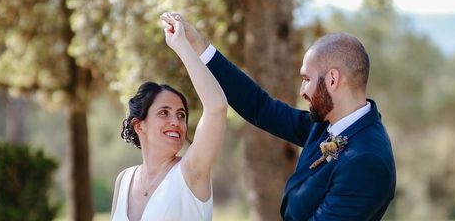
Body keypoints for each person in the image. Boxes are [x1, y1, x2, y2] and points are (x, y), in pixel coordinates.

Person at [163, 12, 396, 221]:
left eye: (307, 79)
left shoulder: (368, 161)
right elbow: (260, 107)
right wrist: (199, 46)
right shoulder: (329, 125)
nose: (302, 91)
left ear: (333, 79)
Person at [110, 14, 227, 221]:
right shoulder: (124, 180)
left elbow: (216, 107)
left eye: (181, 115)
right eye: (164, 113)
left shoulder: (191, 171)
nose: (176, 122)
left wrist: (182, 46)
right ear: (139, 125)